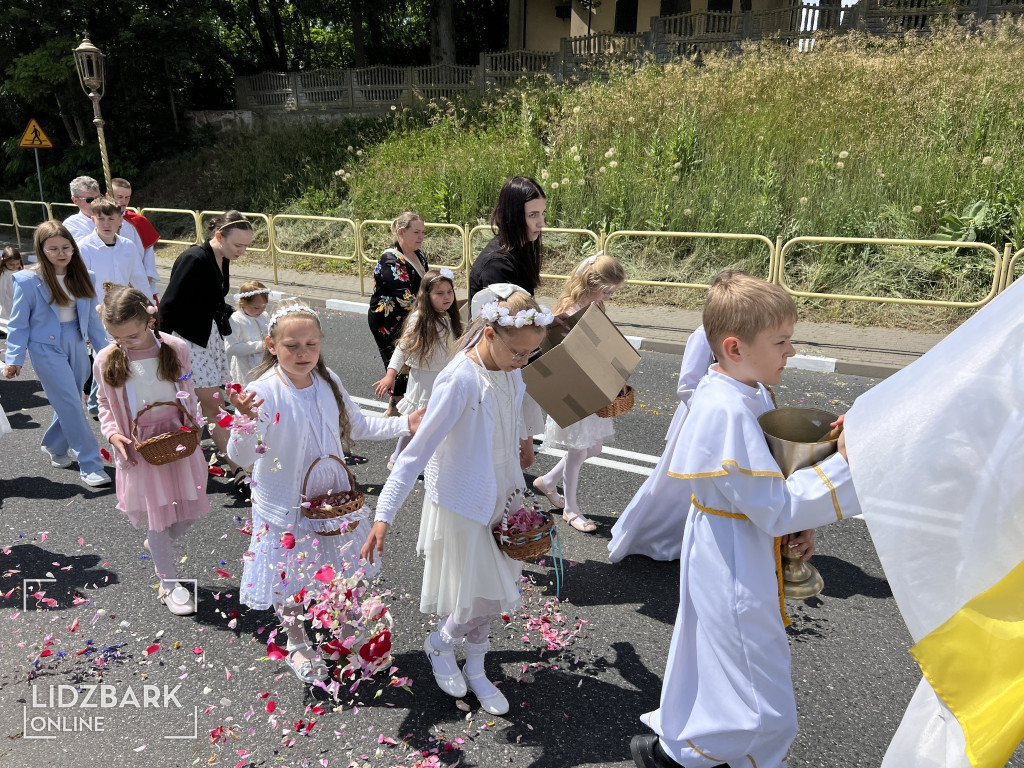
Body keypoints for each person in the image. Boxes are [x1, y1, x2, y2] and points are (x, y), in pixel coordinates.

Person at [630, 271, 860, 768]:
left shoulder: (749, 388)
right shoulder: (724, 409)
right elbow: (775, 506)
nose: (791, 352)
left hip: (739, 537)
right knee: (761, 698)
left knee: (722, 666)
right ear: (735, 348)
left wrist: (800, 519)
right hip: (732, 554)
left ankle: (677, 751)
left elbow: (771, 485)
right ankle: (688, 757)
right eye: (781, 342)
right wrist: (846, 462)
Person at [361, 285, 553, 716]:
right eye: (518, 352)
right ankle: (441, 643)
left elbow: (514, 408)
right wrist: (384, 514)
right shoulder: (460, 380)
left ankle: (476, 666)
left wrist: (523, 440)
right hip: (466, 499)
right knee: (481, 592)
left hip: (504, 492)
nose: (523, 361)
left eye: (531, 353)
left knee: (494, 590)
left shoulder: (511, 368)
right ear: (489, 333)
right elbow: (415, 454)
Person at [227, 301, 424, 683]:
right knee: (289, 580)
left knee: (341, 571)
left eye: (311, 344)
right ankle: (297, 643)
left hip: (331, 501)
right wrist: (245, 422)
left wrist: (405, 424)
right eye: (291, 346)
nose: (303, 353)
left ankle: (344, 632)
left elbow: (358, 425)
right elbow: (242, 456)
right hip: (285, 505)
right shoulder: (263, 391)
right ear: (271, 345)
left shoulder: (326, 379)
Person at [93, 282, 209, 615]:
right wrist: (112, 434)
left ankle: (159, 544)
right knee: (157, 517)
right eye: (116, 337)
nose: (124, 343)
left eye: (132, 336)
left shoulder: (174, 347)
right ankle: (168, 584)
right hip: (140, 445)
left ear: (150, 321)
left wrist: (194, 422)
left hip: (178, 437)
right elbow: (104, 401)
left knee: (188, 511)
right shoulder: (106, 358)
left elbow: (187, 389)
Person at [608, 323, 764, 562]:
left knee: (715, 483)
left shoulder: (746, 329)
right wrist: (710, 416)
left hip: (725, 415)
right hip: (700, 418)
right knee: (678, 485)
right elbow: (687, 385)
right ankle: (655, 537)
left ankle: (699, 539)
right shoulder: (704, 333)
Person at [2, 222, 111, 487]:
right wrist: (14, 358)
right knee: (72, 403)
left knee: (69, 402)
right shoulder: (28, 280)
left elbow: (93, 321)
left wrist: (107, 352)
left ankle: (55, 445)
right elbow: (18, 324)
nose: (61, 253)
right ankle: (91, 463)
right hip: (44, 348)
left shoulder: (86, 276)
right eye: (53, 249)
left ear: (73, 248)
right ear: (41, 250)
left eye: (66, 247)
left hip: (77, 344)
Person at [533, 253, 626, 534]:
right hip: (575, 388)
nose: (609, 297)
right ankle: (571, 509)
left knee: (594, 447)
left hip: (591, 385)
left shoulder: (593, 305)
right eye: (607, 291)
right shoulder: (570, 310)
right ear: (592, 283)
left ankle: (547, 482)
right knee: (578, 450)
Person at [159, 210, 252, 485]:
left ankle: (185, 466)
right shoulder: (194, 258)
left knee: (199, 407)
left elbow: (209, 297)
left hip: (206, 337)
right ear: (219, 235)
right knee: (214, 405)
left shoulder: (221, 256)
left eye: (246, 246)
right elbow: (168, 305)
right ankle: (239, 469)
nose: (242, 251)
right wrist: (162, 348)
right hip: (187, 340)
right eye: (238, 245)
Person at [373, 268, 463, 469]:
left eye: (449, 292)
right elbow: (402, 348)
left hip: (443, 377)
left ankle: (432, 460)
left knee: (438, 419)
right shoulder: (420, 318)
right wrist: (390, 375)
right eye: (439, 293)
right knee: (417, 420)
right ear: (426, 295)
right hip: (423, 379)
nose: (447, 297)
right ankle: (398, 457)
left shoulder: (446, 316)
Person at [367, 212, 430, 417]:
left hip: (412, 317)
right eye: (416, 232)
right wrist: (433, 309)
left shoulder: (420, 254)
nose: (421, 237)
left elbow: (426, 286)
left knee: (409, 362)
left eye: (423, 232)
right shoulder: (390, 259)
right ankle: (396, 410)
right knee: (400, 362)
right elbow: (405, 298)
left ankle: (397, 409)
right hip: (389, 320)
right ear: (401, 232)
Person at [467, 177, 546, 303]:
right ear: (513, 215)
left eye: (543, 213)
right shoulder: (496, 265)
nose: (542, 223)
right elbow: (507, 313)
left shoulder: (521, 247)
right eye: (533, 215)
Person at [109, 178, 161, 299]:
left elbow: (149, 254)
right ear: (109, 195)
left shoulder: (138, 221)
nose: (124, 201)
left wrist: (146, 278)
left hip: (137, 282)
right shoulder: (100, 222)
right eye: (119, 197)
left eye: (127, 197)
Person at [225, 280, 271, 387]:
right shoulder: (236, 320)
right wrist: (260, 345)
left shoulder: (263, 316)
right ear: (243, 303)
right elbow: (230, 348)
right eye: (256, 307)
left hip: (264, 366)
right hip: (245, 370)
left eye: (264, 307)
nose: (261, 310)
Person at [0, 246, 25, 329]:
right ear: (5, 262)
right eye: (11, 264)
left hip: (17, 299)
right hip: (8, 301)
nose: (15, 266)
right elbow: (1, 290)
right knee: (8, 318)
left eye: (17, 264)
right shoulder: (4, 274)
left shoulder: (19, 270)